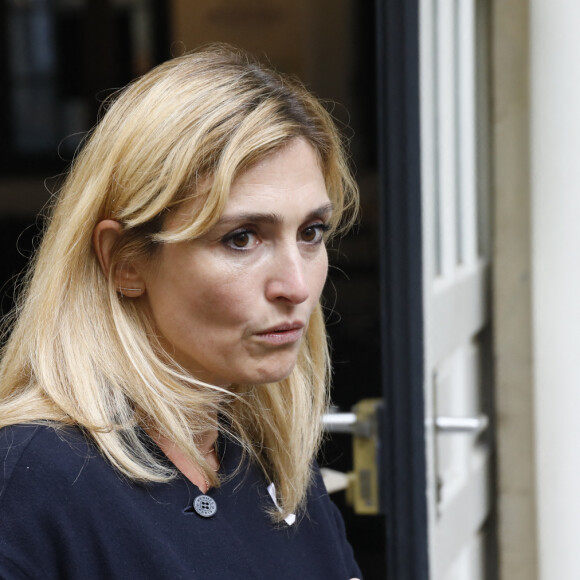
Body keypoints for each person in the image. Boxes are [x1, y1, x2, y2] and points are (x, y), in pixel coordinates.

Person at [0, 44, 362, 579]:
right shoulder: (30, 480)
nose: (296, 284)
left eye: (311, 233)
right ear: (125, 261)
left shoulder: (269, 466)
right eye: (242, 238)